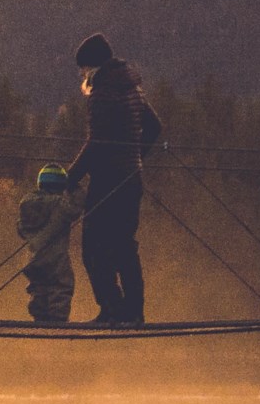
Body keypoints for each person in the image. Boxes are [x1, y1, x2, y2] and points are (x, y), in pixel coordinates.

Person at [69, 34, 163, 325]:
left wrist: (69, 178)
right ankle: (133, 312)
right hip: (131, 179)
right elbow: (154, 127)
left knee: (92, 248)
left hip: (107, 181)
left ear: (92, 66)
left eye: (84, 69)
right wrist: (135, 158)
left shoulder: (102, 93)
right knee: (124, 247)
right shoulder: (131, 87)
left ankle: (111, 308)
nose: (83, 75)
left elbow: (96, 143)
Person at [15, 163, 80, 324]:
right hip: (56, 257)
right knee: (61, 285)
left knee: (38, 287)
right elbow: (75, 209)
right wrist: (75, 187)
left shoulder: (26, 204)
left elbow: (21, 230)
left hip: (32, 258)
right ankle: (57, 320)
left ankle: (39, 316)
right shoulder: (59, 203)